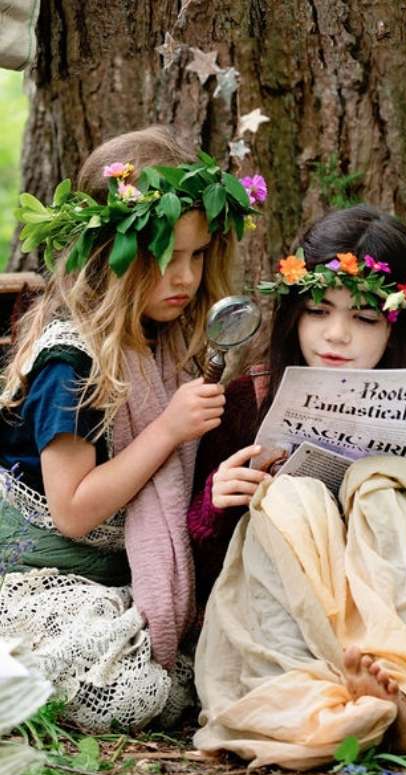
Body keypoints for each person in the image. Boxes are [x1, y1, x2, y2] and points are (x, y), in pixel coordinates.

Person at [189, 205, 406, 769]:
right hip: (282, 633)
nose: (336, 335)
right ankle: (330, 698)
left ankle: (400, 685)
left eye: (366, 319)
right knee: (289, 497)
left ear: (397, 324)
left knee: (386, 484)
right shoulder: (245, 400)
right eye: (317, 311)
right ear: (292, 314)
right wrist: (217, 502)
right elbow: (209, 573)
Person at [0, 126, 258, 731]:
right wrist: (168, 430)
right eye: (165, 257)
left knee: (218, 663)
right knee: (135, 688)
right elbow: (73, 511)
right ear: (107, 253)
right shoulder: (68, 363)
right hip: (39, 578)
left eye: (198, 256)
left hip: (121, 581)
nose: (186, 278)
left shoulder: (167, 342)